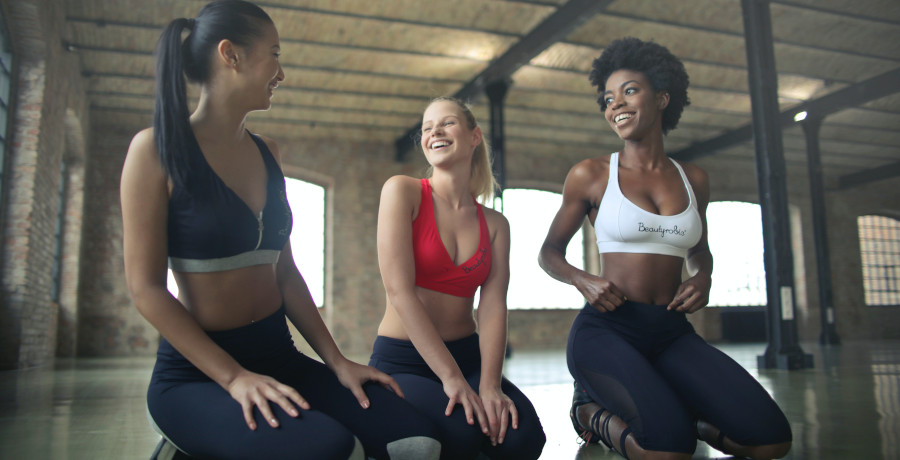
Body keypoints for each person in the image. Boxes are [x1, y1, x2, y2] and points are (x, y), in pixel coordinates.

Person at [120, 1, 441, 459]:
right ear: (231, 55)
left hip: (280, 356)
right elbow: (146, 289)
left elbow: (285, 274)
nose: (281, 72)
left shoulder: (268, 153)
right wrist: (234, 378)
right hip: (197, 375)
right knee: (327, 449)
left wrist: (337, 363)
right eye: (274, 53)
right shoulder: (154, 150)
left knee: (416, 444)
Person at [538, 37, 792, 460]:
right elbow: (548, 252)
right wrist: (583, 280)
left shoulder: (694, 179)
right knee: (668, 451)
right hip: (607, 329)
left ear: (662, 97)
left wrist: (704, 276)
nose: (615, 104)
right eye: (607, 98)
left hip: (672, 331)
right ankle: (589, 413)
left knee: (771, 440)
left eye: (629, 91)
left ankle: (688, 417)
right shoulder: (592, 174)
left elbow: (699, 249)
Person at [368, 97, 546, 459]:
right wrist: (452, 380)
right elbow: (399, 292)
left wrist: (490, 384)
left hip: (468, 356)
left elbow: (494, 307)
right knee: (463, 435)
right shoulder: (402, 191)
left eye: (446, 123)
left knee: (521, 437)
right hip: (405, 361)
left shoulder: (496, 224)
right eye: (426, 127)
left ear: (474, 136)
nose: (434, 131)